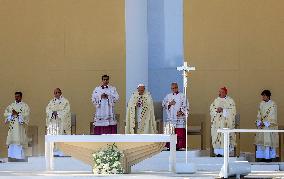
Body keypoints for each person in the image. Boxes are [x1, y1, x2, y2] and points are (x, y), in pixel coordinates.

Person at [210, 87, 236, 156]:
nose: (220, 93)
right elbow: (212, 109)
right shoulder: (216, 100)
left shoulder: (230, 101)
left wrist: (223, 110)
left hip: (226, 123)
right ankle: (218, 153)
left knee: (224, 129)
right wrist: (216, 110)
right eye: (219, 92)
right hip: (217, 123)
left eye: (221, 92)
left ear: (225, 93)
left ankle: (225, 152)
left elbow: (233, 112)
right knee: (216, 131)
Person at [4, 92, 30, 161]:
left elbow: (27, 114)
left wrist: (18, 114)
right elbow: (6, 113)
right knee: (12, 143)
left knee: (19, 141)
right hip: (12, 127)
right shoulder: (11, 105)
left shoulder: (25, 106)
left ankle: (19, 158)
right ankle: (12, 158)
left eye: (18, 96)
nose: (16, 98)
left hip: (19, 127)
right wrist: (11, 114)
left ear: (21, 97)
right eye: (15, 96)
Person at [162, 83, 188, 150]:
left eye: (175, 88)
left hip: (179, 117)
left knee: (180, 132)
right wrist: (169, 103)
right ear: (171, 89)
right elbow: (163, 104)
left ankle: (180, 146)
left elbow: (186, 105)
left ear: (177, 88)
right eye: (172, 88)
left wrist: (181, 111)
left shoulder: (182, 96)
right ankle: (170, 146)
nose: (174, 89)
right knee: (170, 132)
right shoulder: (168, 96)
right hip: (171, 117)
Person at [255, 90, 278, 162]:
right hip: (262, 126)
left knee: (268, 142)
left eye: (264, 95)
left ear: (268, 96)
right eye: (262, 95)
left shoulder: (273, 104)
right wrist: (259, 122)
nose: (262, 97)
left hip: (268, 126)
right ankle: (261, 157)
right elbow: (259, 114)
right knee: (261, 142)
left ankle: (268, 157)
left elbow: (273, 116)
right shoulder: (261, 104)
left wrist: (265, 123)